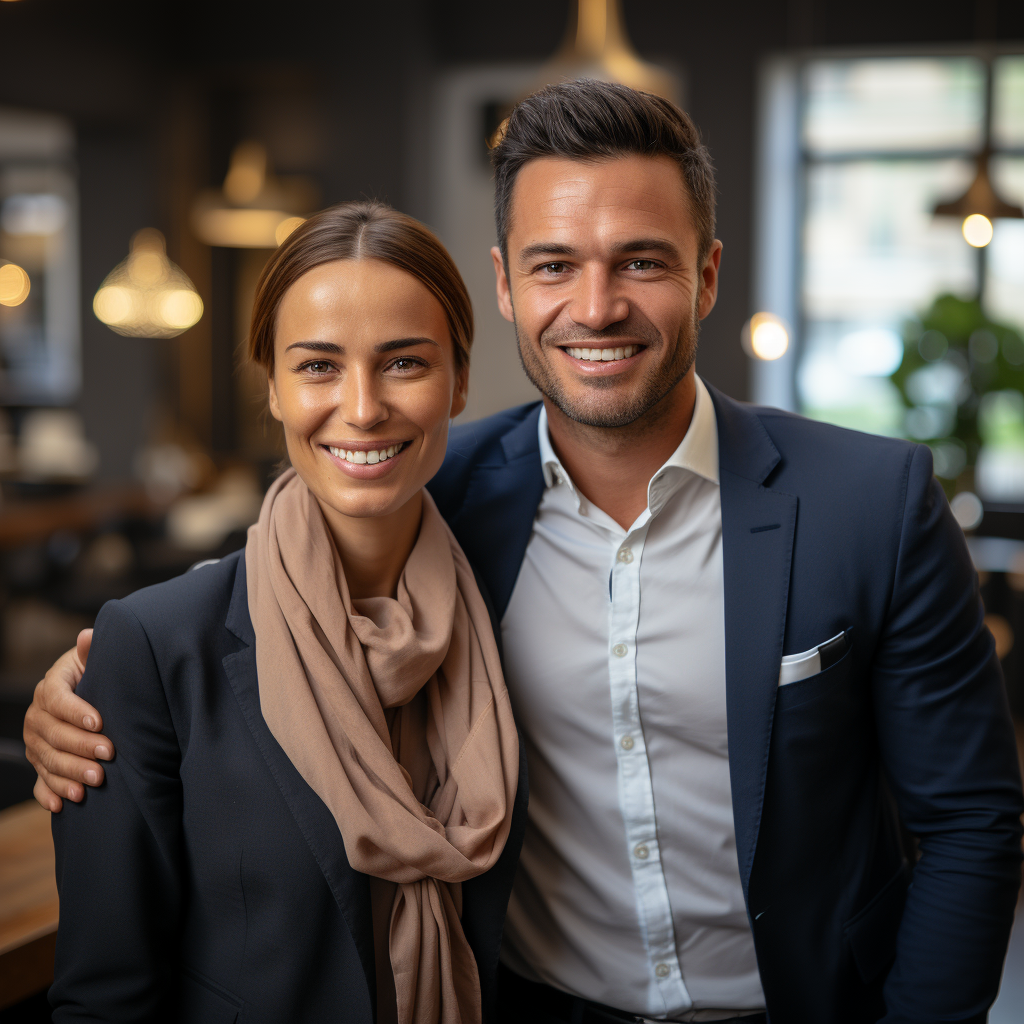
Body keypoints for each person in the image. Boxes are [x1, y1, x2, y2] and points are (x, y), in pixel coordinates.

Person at [26, 80, 1024, 1024]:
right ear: (504, 286)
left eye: (640, 260)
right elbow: (289, 571)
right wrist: (93, 679)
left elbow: (973, 823)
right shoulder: (441, 484)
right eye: (554, 264)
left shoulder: (871, 501)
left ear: (706, 273)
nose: (595, 307)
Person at [41, 201, 526, 1024]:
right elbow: (105, 994)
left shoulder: (518, 604)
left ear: (461, 379)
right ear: (272, 384)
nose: (364, 407)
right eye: (318, 366)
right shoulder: (158, 645)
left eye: (405, 363)